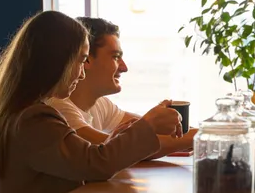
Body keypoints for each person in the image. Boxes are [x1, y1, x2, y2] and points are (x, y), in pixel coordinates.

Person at [0, 10, 183, 193]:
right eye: (81, 60)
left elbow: (84, 161)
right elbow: (96, 164)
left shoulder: (19, 112)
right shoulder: (34, 119)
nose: (82, 73)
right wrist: (148, 125)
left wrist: (124, 136)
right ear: (56, 61)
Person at [47, 17, 196, 158]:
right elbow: (121, 150)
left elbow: (155, 135)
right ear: (86, 59)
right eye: (115, 57)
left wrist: (207, 133)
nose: (124, 68)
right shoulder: (59, 109)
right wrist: (204, 137)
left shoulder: (100, 105)